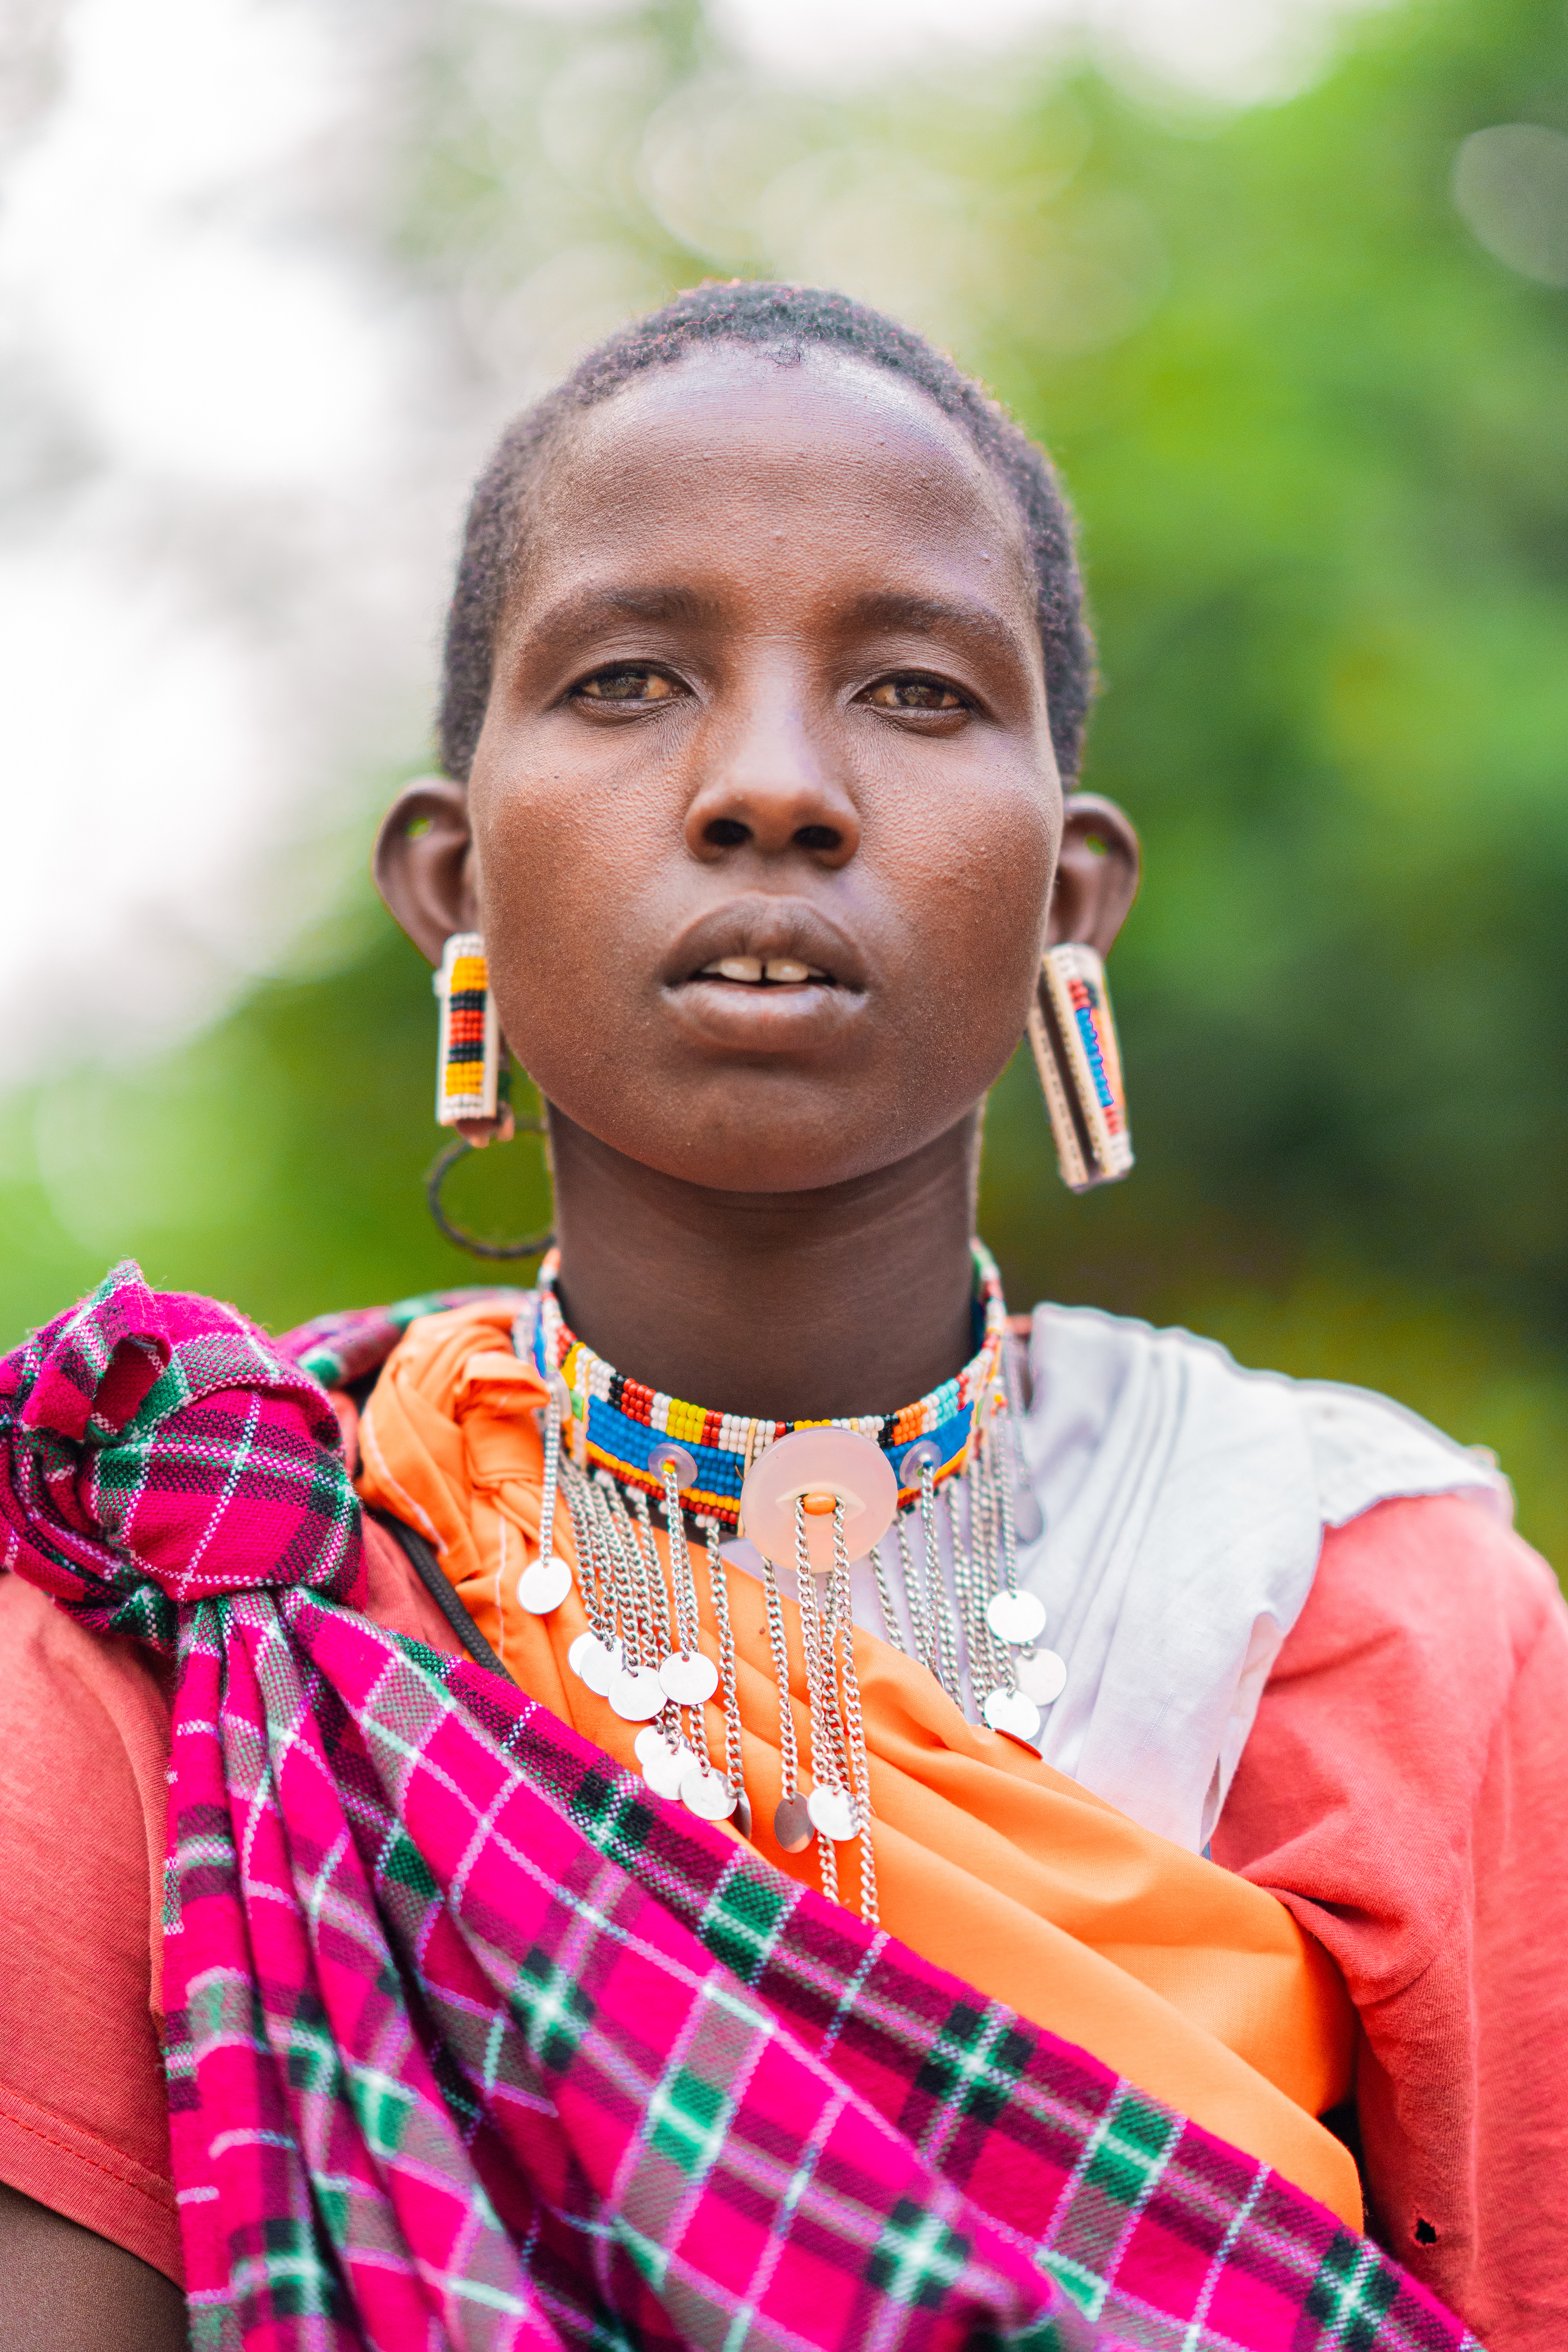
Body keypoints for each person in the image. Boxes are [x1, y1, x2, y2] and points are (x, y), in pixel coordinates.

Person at [1, 281, 1564, 2352]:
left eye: (917, 693)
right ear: (450, 882)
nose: (772, 789)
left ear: (1071, 899)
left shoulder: (1366, 1605)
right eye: (633, 679)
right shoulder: (189, 1597)